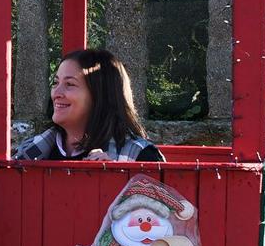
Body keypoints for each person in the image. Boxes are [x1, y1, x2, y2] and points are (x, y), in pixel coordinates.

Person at [13, 48, 164, 162]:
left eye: (69, 84)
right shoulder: (29, 151)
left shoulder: (141, 156)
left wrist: (116, 178)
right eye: (55, 82)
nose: (56, 93)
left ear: (100, 94)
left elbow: (169, 204)